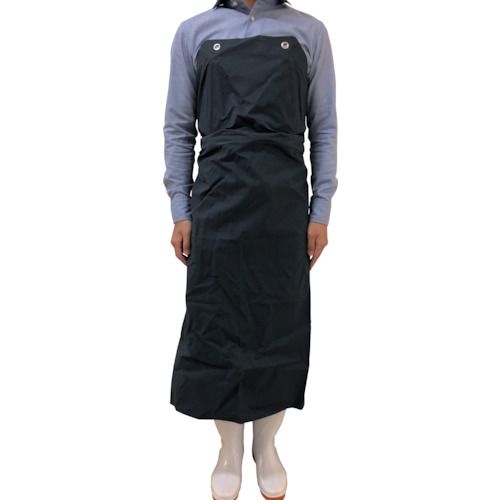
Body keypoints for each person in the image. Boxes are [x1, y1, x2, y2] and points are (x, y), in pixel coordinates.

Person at [162, 0, 338, 498]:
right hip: (217, 199)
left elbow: (324, 127)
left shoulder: (309, 32)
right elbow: (179, 126)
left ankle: (267, 443)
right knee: (217, 319)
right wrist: (180, 208)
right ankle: (229, 447)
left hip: (283, 202)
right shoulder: (194, 32)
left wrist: (321, 209)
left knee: (277, 321)